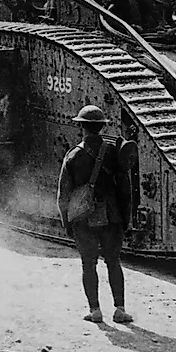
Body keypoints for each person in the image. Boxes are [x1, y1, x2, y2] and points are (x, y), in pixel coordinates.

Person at [58, 105, 133, 325]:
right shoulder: (113, 151)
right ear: (102, 127)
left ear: (82, 127)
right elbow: (125, 188)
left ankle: (95, 311)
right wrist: (125, 217)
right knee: (113, 262)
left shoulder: (73, 155)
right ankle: (120, 310)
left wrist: (67, 222)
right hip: (112, 215)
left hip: (83, 216)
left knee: (88, 264)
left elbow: (63, 194)